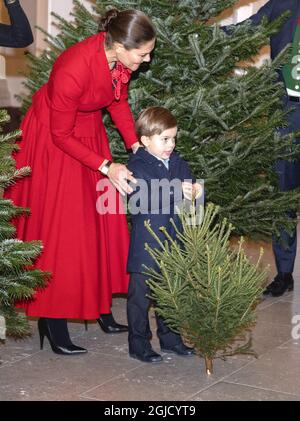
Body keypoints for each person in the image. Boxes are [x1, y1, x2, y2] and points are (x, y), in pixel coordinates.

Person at [4, 9, 156, 355]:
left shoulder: (120, 62)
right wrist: (106, 166)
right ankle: (51, 319)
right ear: (118, 45)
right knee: (66, 228)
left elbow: (116, 103)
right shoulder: (73, 67)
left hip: (88, 135)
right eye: (142, 54)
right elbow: (60, 134)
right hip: (54, 142)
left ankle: (99, 306)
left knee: (102, 221)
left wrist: (134, 144)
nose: (146, 61)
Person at [224, 0, 300, 297]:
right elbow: (248, 28)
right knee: (283, 195)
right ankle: (284, 272)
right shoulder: (284, 3)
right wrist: (203, 38)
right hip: (287, 112)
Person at [126, 107, 202, 363]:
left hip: (174, 239)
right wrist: (176, 190)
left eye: (173, 138)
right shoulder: (137, 165)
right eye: (165, 139)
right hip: (147, 243)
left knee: (170, 293)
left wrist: (195, 196)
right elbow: (140, 198)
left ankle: (170, 338)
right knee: (140, 297)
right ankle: (139, 343)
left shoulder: (180, 163)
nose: (171, 144)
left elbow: (189, 200)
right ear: (146, 141)